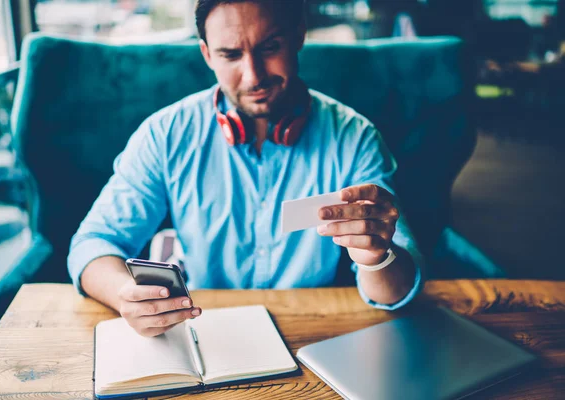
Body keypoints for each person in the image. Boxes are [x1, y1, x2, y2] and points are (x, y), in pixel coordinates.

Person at [68, 0, 424, 337]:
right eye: (230, 54)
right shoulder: (166, 135)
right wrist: (125, 295)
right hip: (210, 331)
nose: (253, 76)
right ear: (207, 55)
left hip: (314, 333)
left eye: (270, 47)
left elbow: (397, 292)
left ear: (298, 36)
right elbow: (93, 244)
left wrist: (377, 256)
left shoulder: (355, 138)